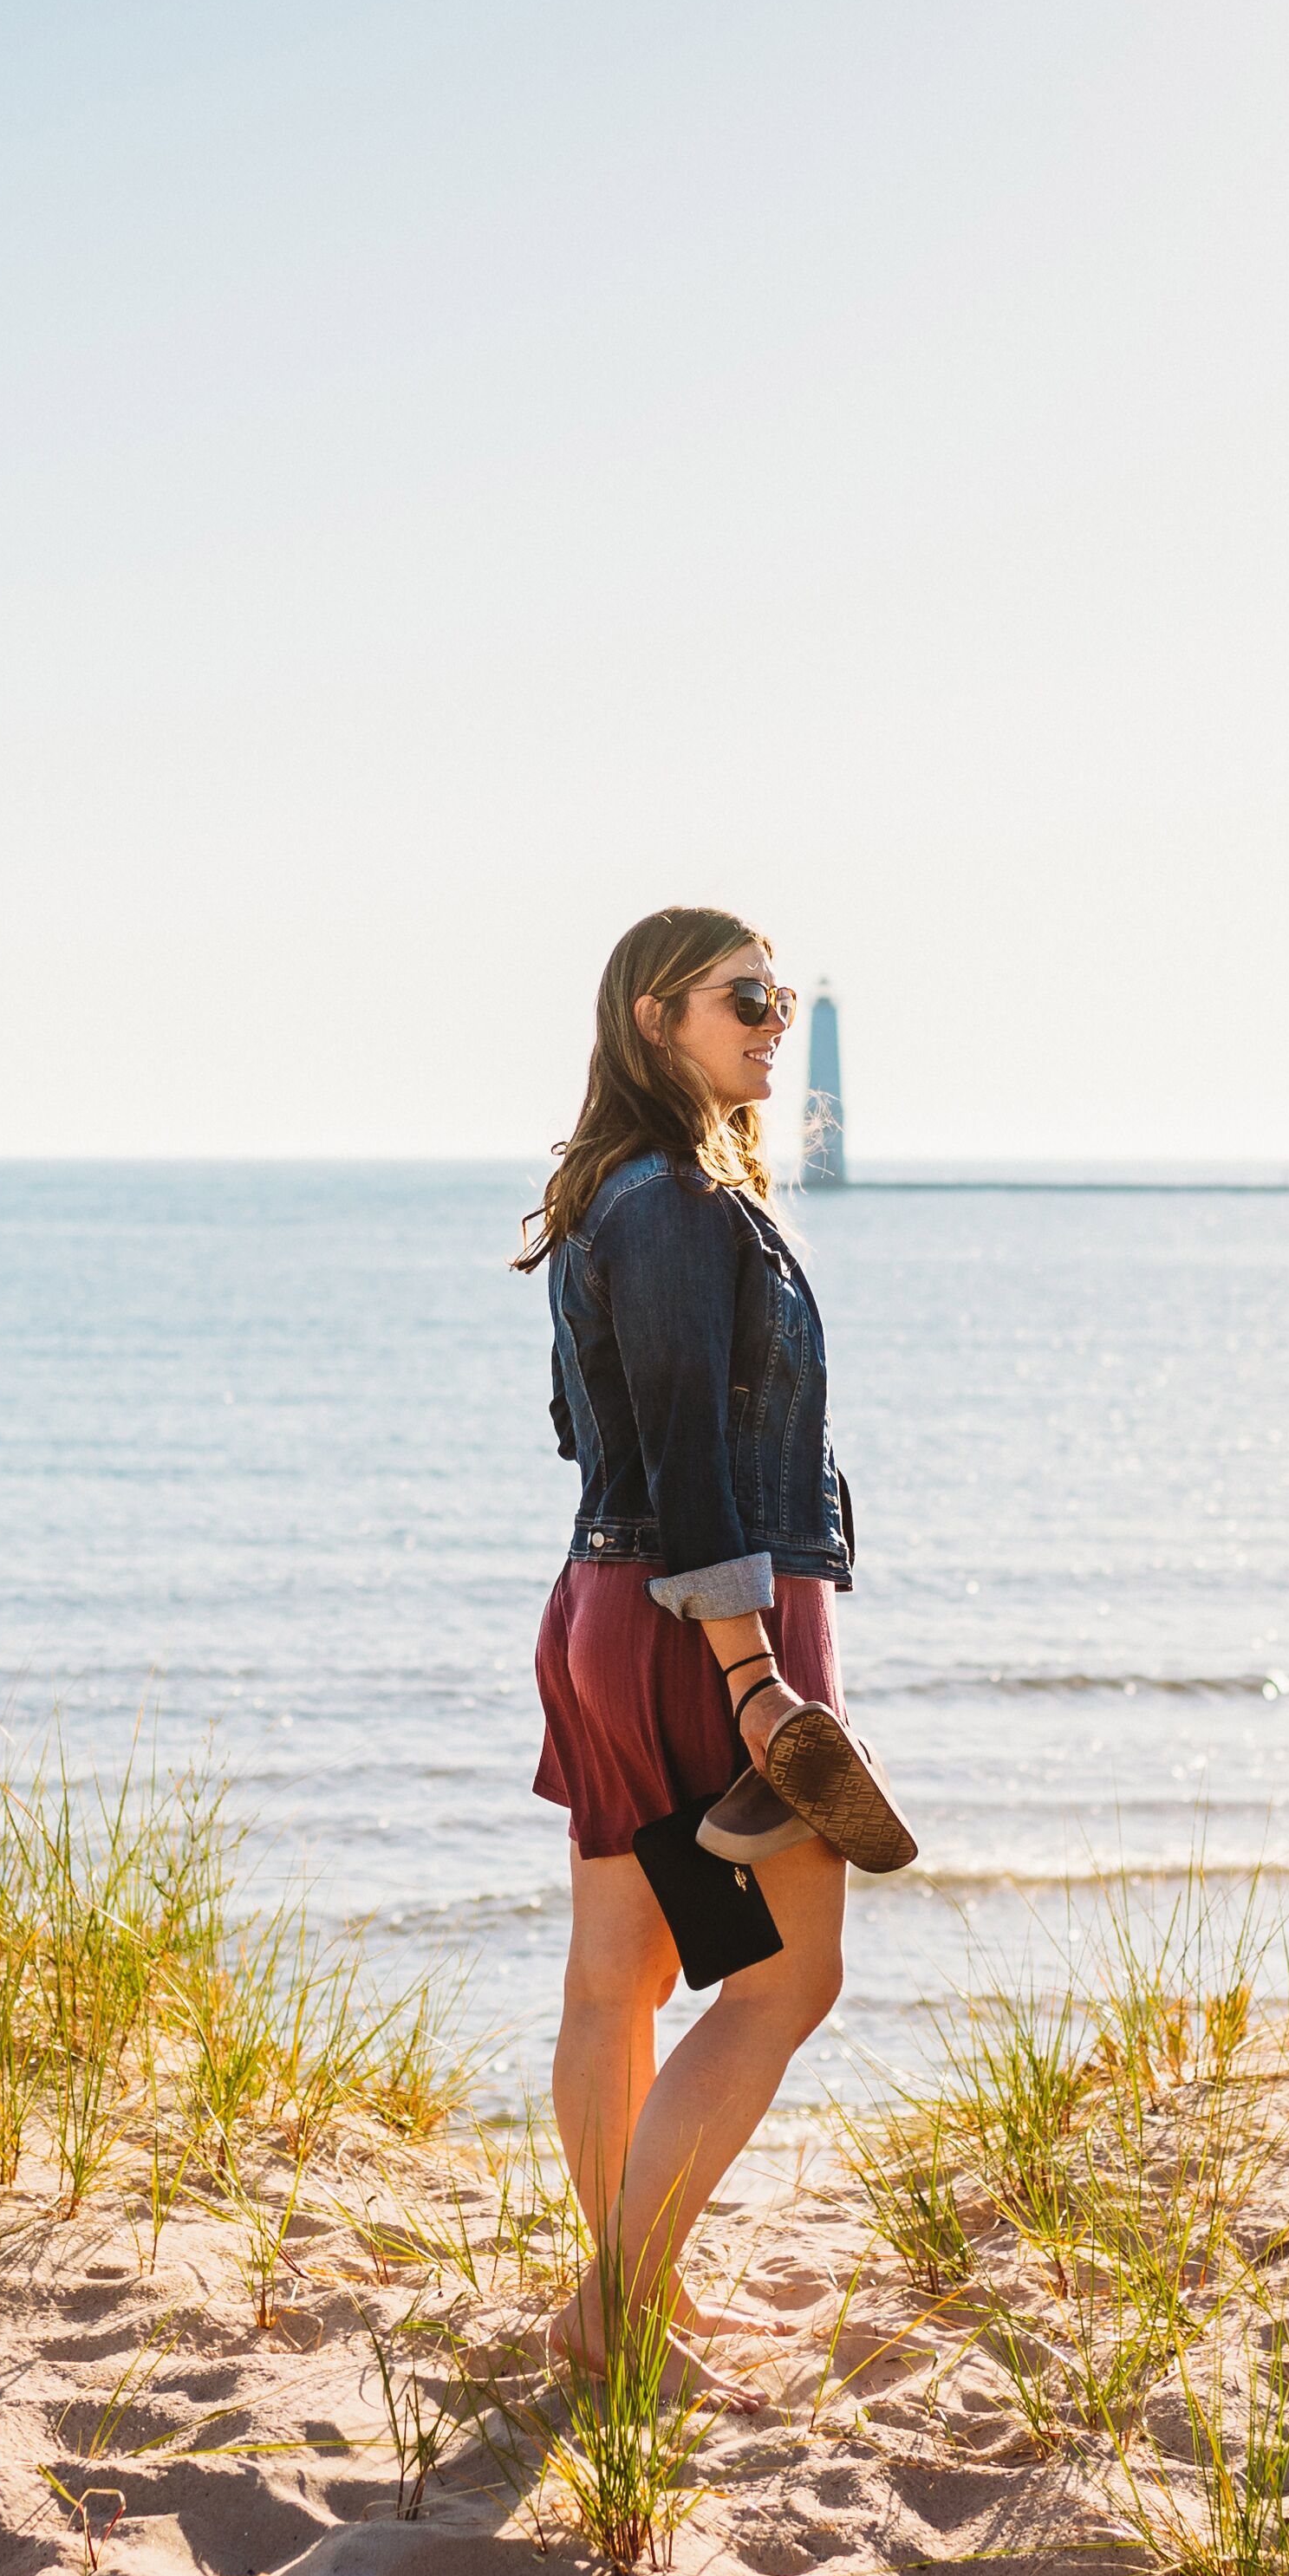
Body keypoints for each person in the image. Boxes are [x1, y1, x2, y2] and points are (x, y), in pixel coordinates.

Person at [517, 906, 915, 2399]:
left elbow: (599, 1437)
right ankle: (618, 2308)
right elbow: (689, 1451)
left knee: (616, 1979)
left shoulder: (607, 1201)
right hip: (711, 1619)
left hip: (613, 1612)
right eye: (743, 997)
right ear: (652, 1020)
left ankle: (633, 2306)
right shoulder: (677, 1204)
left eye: (782, 996)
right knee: (782, 1983)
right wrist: (759, 1680)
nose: (771, 1021)